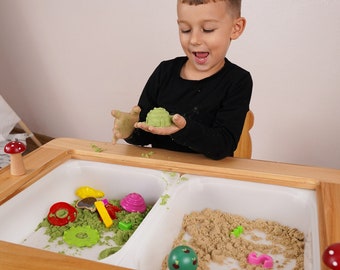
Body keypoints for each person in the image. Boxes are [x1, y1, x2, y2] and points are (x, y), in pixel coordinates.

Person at [111, 0, 252, 160]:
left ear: (236, 28)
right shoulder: (164, 72)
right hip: (163, 171)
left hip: (208, 176)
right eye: (185, 30)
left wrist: (183, 129)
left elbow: (223, 145)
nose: (194, 40)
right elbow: (145, 134)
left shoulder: (238, 81)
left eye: (207, 29)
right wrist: (130, 129)